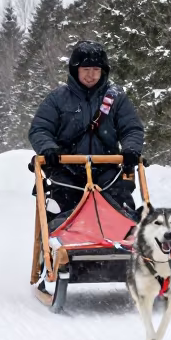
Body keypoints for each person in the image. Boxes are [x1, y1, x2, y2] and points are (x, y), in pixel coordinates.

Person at [28, 40, 144, 225]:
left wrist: (131, 149)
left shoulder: (116, 99)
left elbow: (132, 128)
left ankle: (124, 245)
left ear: (103, 71)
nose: (91, 75)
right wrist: (48, 148)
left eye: (96, 70)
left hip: (107, 169)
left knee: (121, 208)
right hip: (66, 169)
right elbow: (40, 129)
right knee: (61, 212)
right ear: (76, 70)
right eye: (86, 70)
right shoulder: (57, 99)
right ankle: (59, 247)